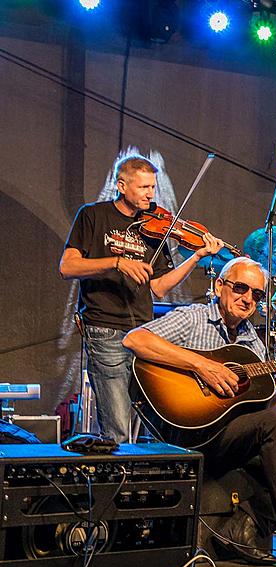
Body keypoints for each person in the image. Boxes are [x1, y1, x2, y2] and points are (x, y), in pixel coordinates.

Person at [123, 256, 276, 567]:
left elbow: (266, 410)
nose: (248, 298)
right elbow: (135, 339)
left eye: (257, 294)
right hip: (192, 433)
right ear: (220, 286)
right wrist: (202, 365)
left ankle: (245, 523)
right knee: (275, 423)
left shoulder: (252, 343)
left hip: (233, 438)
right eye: (241, 288)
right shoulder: (194, 318)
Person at [59, 155, 224, 443]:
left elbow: (160, 286)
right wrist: (117, 262)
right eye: (143, 187)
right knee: (118, 429)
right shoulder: (93, 216)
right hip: (104, 328)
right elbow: (67, 267)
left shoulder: (154, 226)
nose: (150, 194)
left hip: (143, 333)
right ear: (122, 185)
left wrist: (196, 256)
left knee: (152, 424)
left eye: (153, 187)